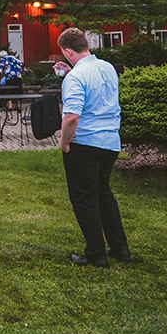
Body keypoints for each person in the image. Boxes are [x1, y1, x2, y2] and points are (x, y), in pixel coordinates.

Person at [57, 27, 130, 269]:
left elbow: (72, 117)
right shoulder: (108, 67)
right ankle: (120, 248)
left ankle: (96, 254)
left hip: (85, 143)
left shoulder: (75, 77)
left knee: (84, 199)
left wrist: (65, 142)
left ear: (68, 51)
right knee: (104, 194)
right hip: (110, 141)